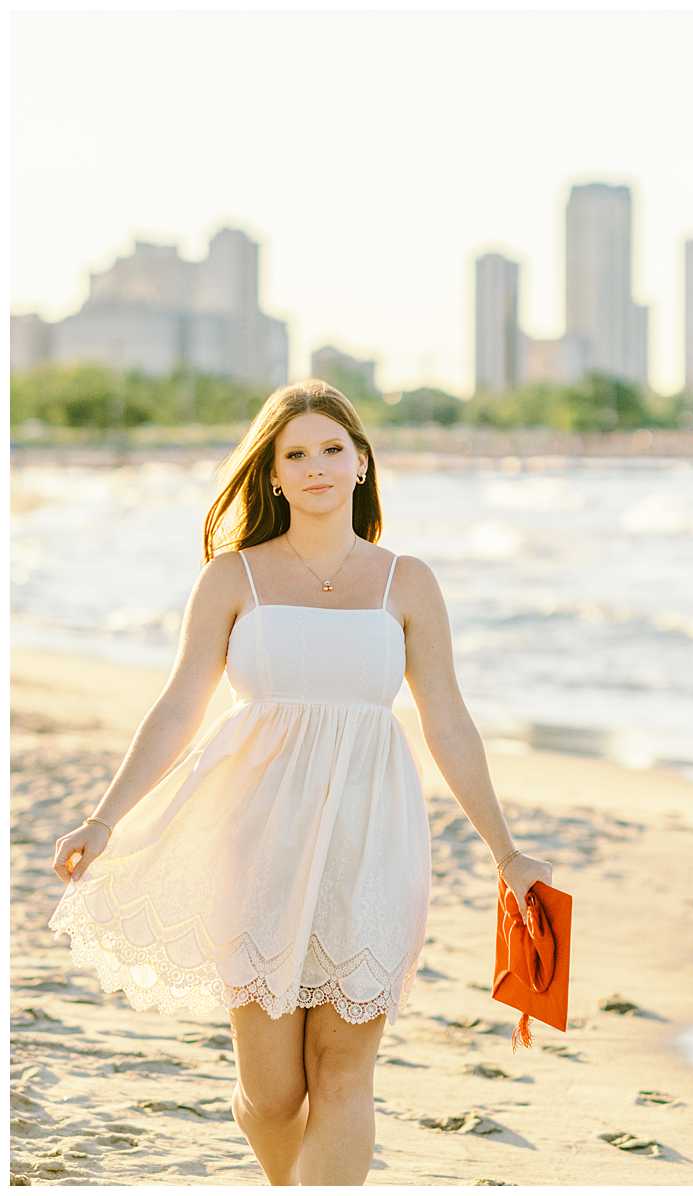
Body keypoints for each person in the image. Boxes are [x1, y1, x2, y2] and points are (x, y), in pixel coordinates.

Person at [47, 379, 555, 1184]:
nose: (316, 466)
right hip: (257, 839)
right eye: (296, 454)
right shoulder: (232, 577)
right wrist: (105, 819)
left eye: (332, 449)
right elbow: (180, 705)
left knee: (346, 1068)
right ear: (273, 475)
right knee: (274, 1095)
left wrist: (507, 852)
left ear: (361, 464)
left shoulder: (407, 582)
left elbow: (448, 720)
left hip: (374, 837)